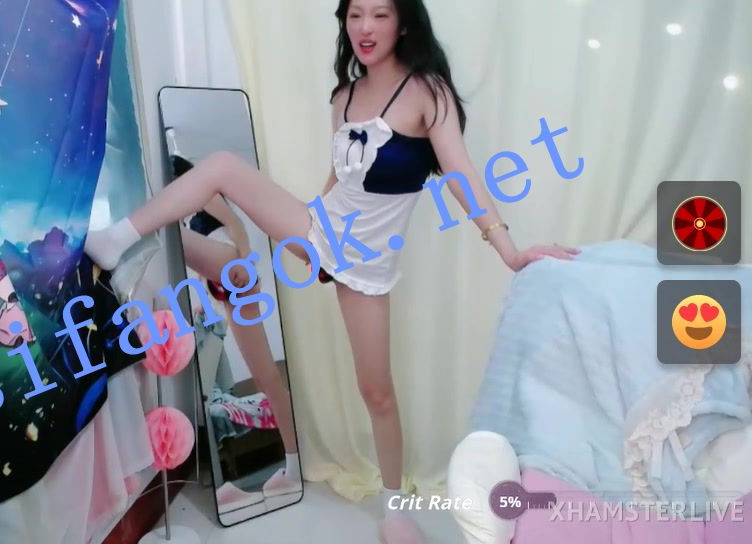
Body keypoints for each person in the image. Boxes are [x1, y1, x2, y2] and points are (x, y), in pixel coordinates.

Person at [86, 0, 578, 541]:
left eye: (380, 15)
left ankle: (394, 508)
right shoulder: (343, 97)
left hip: (366, 264)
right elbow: (340, 179)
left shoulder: (426, 92)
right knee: (222, 167)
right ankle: (116, 238)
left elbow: (462, 175)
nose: (365, 27)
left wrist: (509, 250)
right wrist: (303, 234)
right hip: (322, 231)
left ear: (403, 22)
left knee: (377, 392)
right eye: (355, 14)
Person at [174, 154, 303, 502]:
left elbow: (235, 223)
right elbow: (201, 265)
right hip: (225, 280)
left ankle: (295, 463)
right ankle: (293, 462)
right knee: (264, 378)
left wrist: (246, 263)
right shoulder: (186, 211)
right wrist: (204, 297)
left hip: (234, 269)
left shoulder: (203, 191)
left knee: (268, 379)